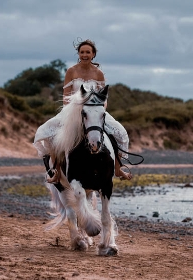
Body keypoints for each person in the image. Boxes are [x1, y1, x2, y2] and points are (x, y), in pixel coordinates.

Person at [33, 39, 132, 183]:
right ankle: (56, 172)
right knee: (48, 133)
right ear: (78, 54)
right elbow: (66, 96)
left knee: (120, 132)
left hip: (95, 112)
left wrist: (99, 110)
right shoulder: (71, 71)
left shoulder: (99, 73)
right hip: (72, 110)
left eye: (88, 52)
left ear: (93, 55)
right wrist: (74, 109)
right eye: (82, 52)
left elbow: (103, 98)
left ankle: (117, 169)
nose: (84, 55)